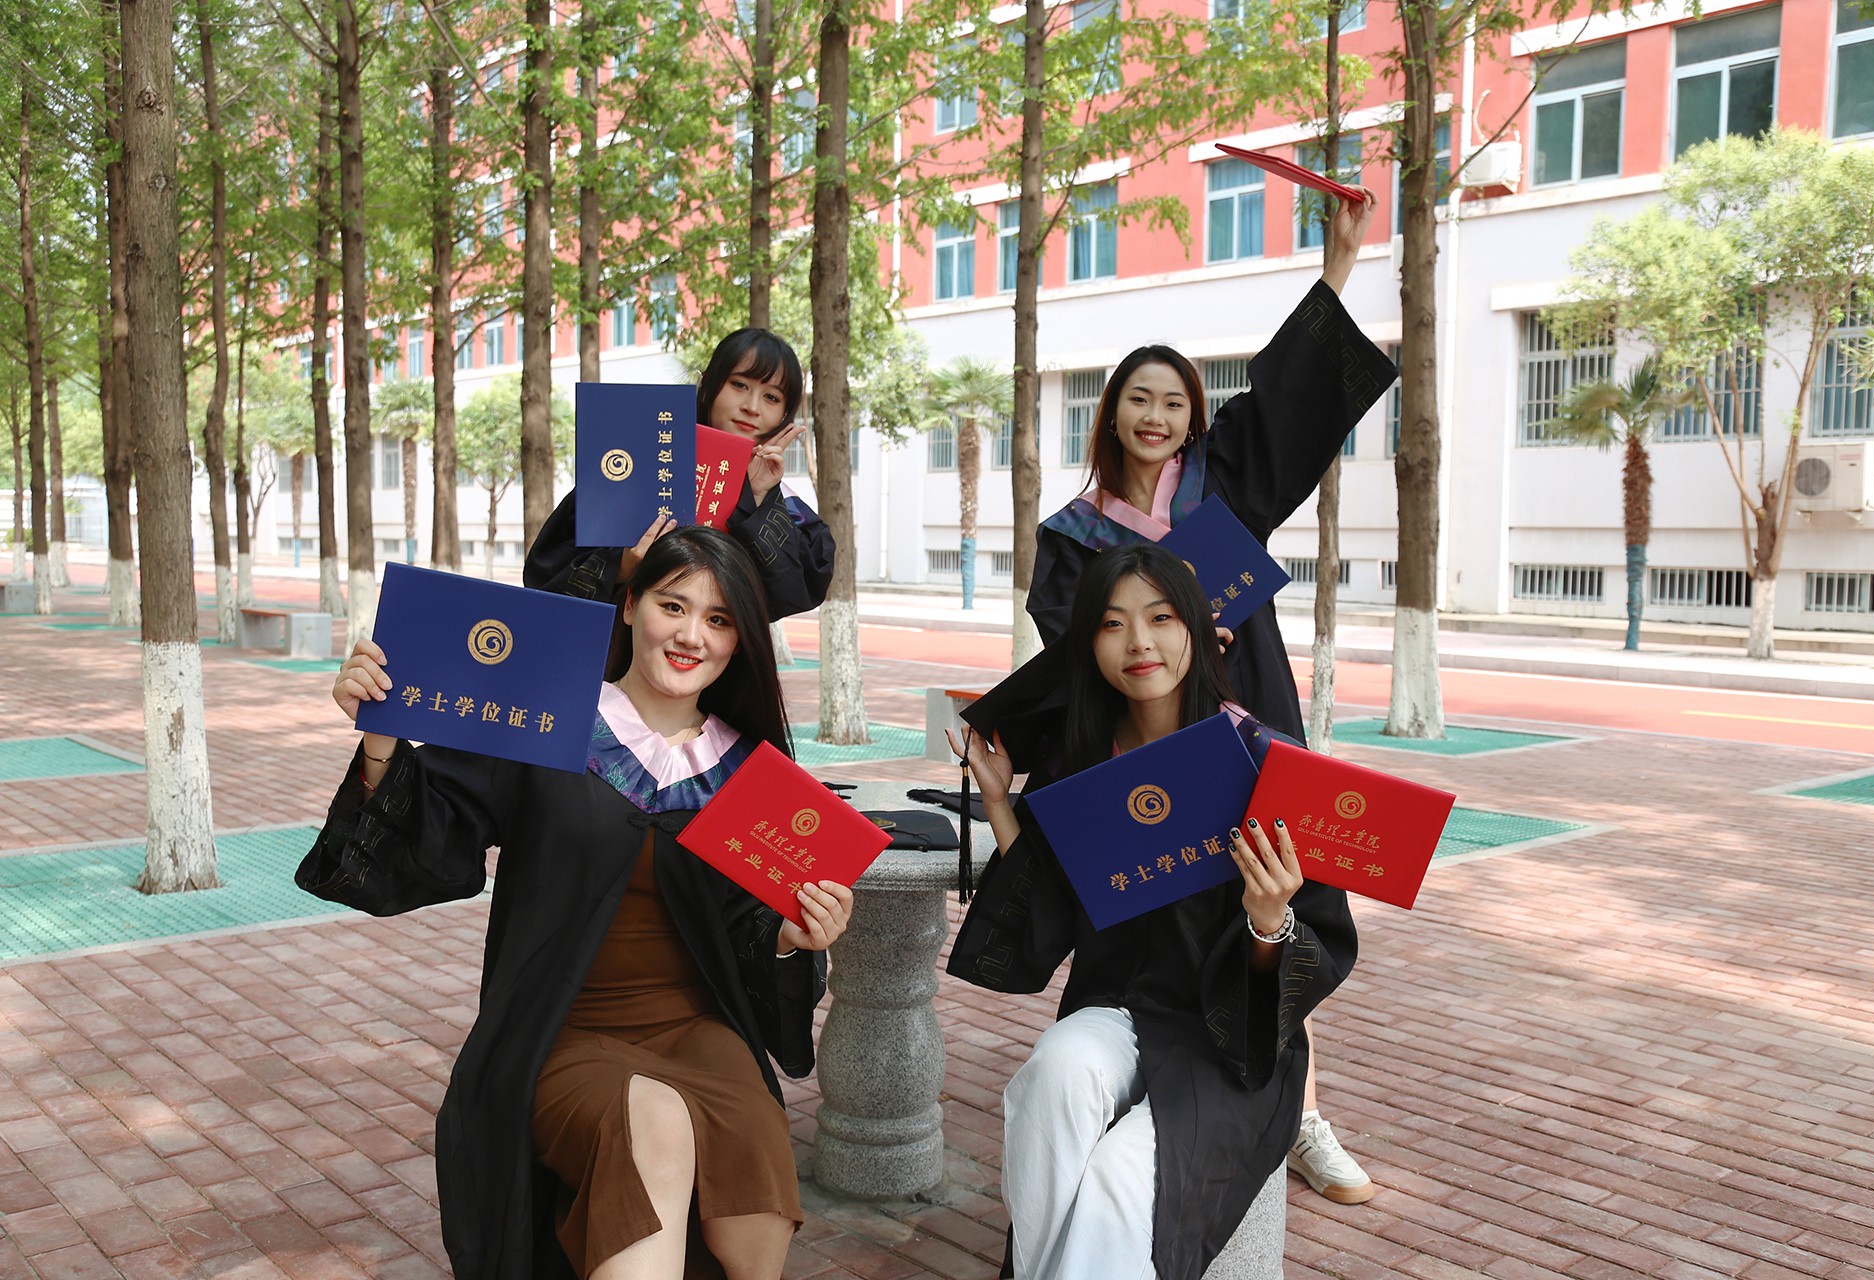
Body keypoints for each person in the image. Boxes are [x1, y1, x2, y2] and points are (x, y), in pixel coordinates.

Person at [299, 526, 854, 1280]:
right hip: (558, 1024)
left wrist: (790, 936)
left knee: (754, 1162)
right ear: (629, 605)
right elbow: (431, 835)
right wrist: (381, 742)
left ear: (740, 641)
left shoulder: (749, 769)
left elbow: (744, 930)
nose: (691, 635)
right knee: (652, 1123)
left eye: (719, 619)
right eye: (672, 605)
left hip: (696, 1026)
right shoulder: (549, 723)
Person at [1025, 191, 1391, 1206]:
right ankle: (1130, 1081)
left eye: (1174, 402)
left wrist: (1337, 267)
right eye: (1139, 400)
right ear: (1111, 413)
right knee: (1163, 922)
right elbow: (1067, 658)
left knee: (1274, 906)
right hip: (1141, 751)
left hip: (1243, 723)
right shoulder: (1073, 535)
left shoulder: (1222, 484)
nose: (1157, 417)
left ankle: (1297, 1109)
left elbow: (1287, 397)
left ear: (1193, 416)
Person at [947, 543, 1357, 1280]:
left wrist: (1269, 920)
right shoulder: (1083, 760)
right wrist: (1002, 802)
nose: (1139, 642)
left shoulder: (1264, 760)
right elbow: (1054, 901)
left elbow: (1318, 942)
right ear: (1088, 643)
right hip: (1121, 1005)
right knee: (1052, 1077)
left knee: (1118, 1177)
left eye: (1161, 618)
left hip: (1230, 1038)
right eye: (1112, 623)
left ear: (1201, 628)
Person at [528, 327, 835, 621]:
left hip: (716, 653)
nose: (752, 407)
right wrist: (620, 567)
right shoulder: (639, 462)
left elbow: (795, 593)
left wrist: (756, 499)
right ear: (709, 383)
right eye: (740, 385)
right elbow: (544, 575)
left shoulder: (775, 499)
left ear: (784, 414)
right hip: (626, 651)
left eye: (772, 397)